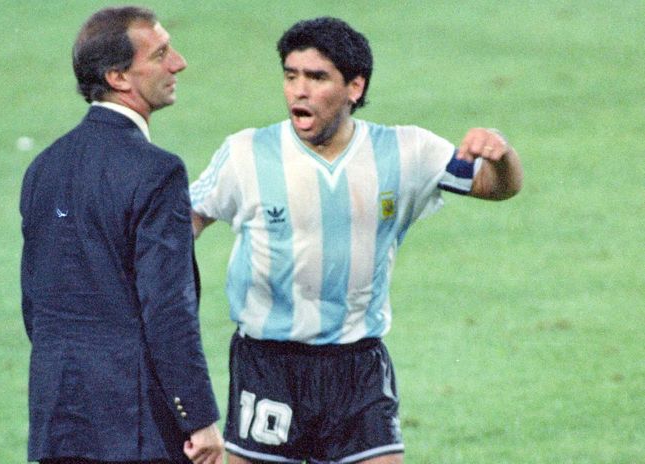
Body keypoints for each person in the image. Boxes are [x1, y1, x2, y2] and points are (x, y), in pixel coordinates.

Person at [190, 17, 523, 464]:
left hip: (357, 368)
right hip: (269, 366)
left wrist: (501, 154)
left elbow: (496, 186)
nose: (298, 91)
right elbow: (178, 228)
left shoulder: (408, 152)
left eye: (316, 77)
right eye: (291, 76)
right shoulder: (246, 154)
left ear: (354, 86)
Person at [20, 6, 223, 464]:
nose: (179, 63)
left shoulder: (42, 168)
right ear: (117, 76)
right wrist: (198, 417)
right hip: (135, 427)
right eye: (162, 54)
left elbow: (37, 305)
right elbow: (168, 308)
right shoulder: (158, 172)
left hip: (57, 417)